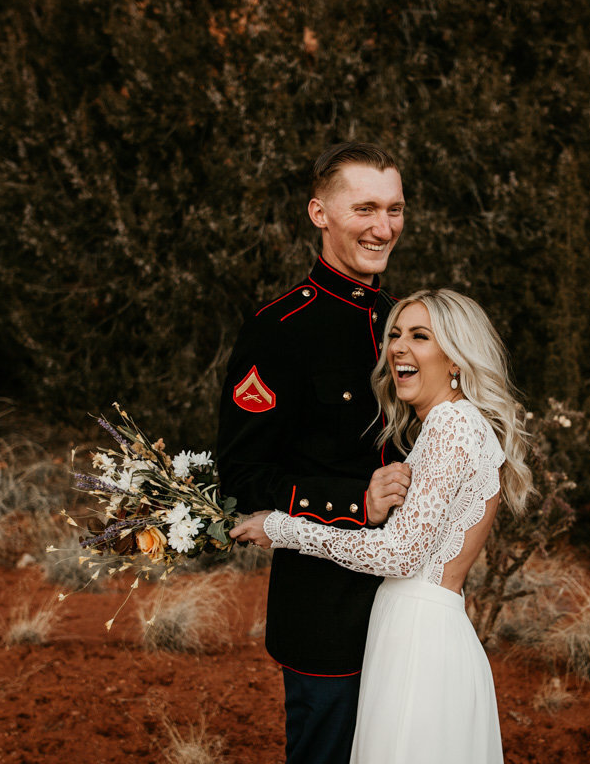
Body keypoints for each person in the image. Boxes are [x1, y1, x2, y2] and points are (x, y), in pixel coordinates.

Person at [232, 289, 535, 764]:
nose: (397, 347)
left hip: (418, 638)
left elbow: (398, 554)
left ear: (456, 358)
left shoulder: (451, 427)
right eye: (394, 334)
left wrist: (282, 528)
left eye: (419, 336)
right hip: (423, 628)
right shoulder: (454, 425)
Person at [216, 142, 412, 764]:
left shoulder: (405, 323)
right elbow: (245, 475)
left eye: (396, 209)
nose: (383, 228)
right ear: (319, 213)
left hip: (411, 601)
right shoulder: (279, 331)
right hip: (327, 608)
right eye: (365, 209)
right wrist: (359, 501)